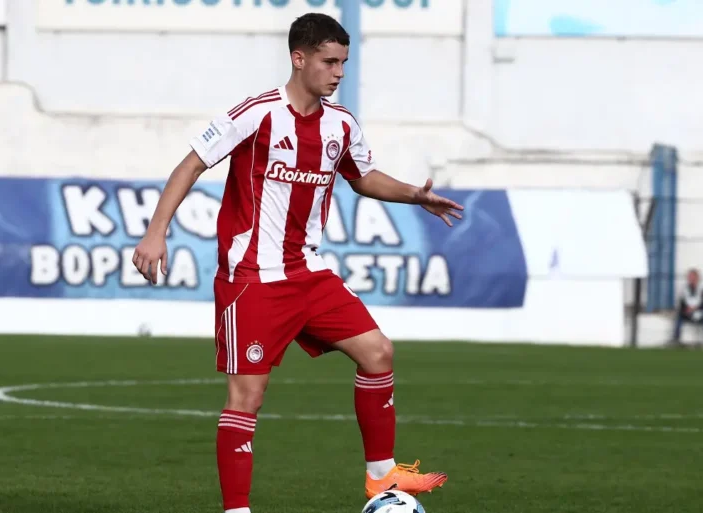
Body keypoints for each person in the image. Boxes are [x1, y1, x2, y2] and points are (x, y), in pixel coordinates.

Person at [131, 13, 461, 513]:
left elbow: (362, 176)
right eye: (329, 62)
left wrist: (414, 194)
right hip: (252, 279)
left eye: (343, 62)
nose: (338, 72)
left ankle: (381, 476)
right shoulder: (257, 114)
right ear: (299, 58)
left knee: (378, 352)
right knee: (248, 397)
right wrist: (156, 232)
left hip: (308, 273)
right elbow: (191, 163)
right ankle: (237, 510)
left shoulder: (341, 124)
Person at [673, 268, 703, 345]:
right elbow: (682, 303)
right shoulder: (684, 289)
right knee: (679, 314)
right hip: (690, 312)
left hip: (702, 311)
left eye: (692, 277)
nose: (690, 279)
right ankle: (676, 338)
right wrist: (686, 309)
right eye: (689, 277)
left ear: (697, 278)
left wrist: (695, 308)